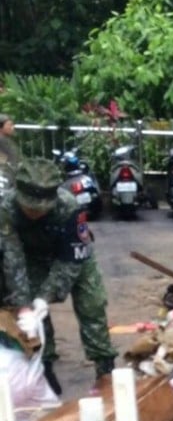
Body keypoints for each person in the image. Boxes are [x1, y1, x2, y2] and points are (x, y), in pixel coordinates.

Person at [1, 158, 118, 392]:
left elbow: (71, 259)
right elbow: (13, 259)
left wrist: (45, 297)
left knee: (92, 305)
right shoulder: (5, 209)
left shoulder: (69, 206)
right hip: (32, 258)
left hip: (74, 257)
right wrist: (23, 305)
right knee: (33, 317)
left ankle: (105, 369)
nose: (35, 213)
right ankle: (45, 368)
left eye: (40, 208)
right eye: (30, 207)